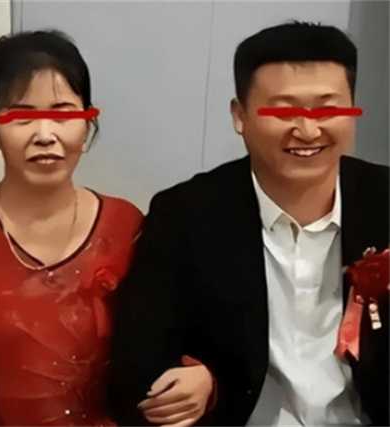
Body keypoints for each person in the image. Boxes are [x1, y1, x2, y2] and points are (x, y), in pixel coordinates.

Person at [108, 21, 389, 426]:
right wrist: (203, 383)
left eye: (327, 109)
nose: (308, 130)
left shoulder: (383, 200)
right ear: (240, 116)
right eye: (283, 110)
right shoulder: (187, 214)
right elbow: (137, 364)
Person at [0, 30, 151, 426]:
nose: (45, 135)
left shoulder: (125, 225)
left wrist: (196, 376)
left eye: (63, 113)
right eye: (21, 117)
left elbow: (162, 340)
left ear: (88, 121)